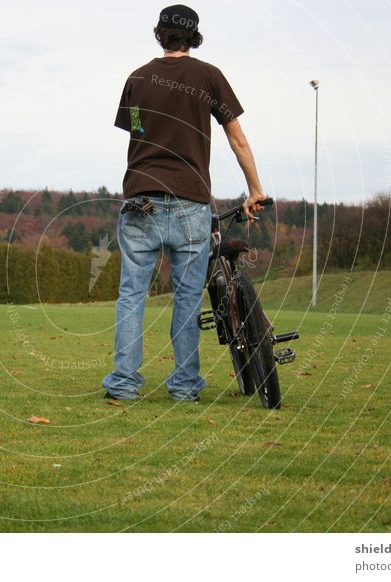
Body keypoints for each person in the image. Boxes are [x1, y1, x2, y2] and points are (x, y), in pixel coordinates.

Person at [102, 4, 268, 401]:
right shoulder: (209, 77)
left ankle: (123, 385)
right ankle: (184, 386)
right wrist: (255, 188)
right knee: (188, 297)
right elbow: (237, 138)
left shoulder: (137, 79)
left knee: (131, 295)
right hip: (190, 203)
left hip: (141, 200)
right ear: (194, 36)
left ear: (159, 33)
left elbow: (138, 129)